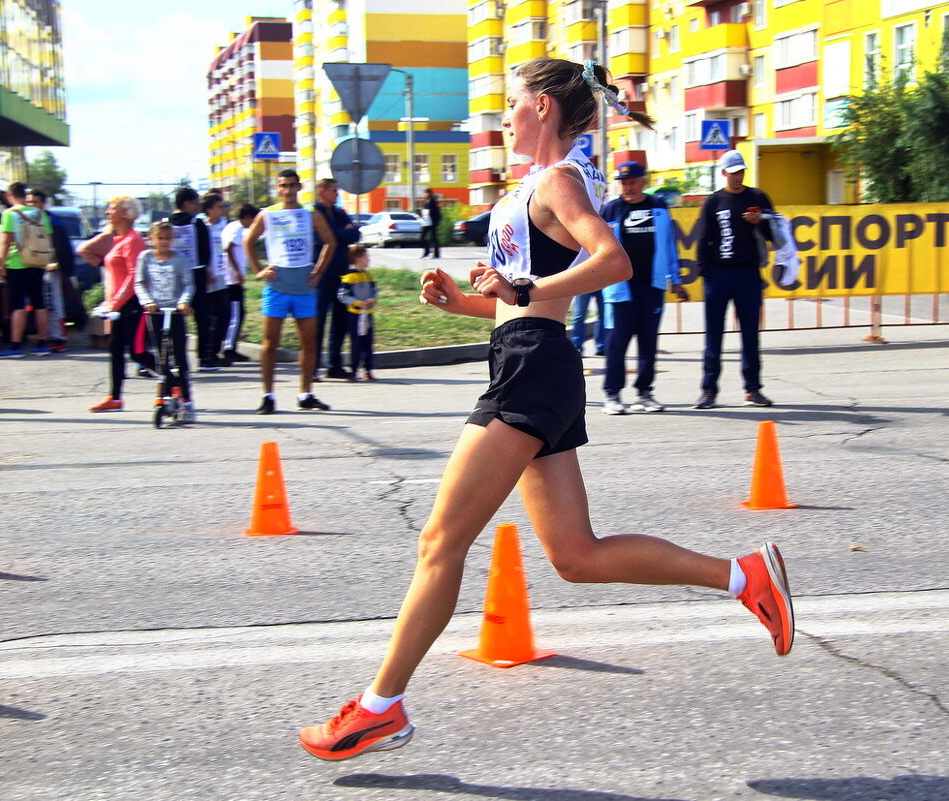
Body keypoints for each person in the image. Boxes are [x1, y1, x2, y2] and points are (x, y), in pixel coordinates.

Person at [298, 57, 794, 762]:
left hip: (532, 368)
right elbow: (528, 295)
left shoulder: (559, 180)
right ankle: (743, 575)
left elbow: (611, 261)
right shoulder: (527, 189)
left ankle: (380, 707)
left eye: (509, 102)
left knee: (439, 542)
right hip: (532, 358)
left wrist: (519, 284)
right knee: (576, 556)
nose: (500, 115)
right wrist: (463, 301)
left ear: (540, 107)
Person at [243, 169, 337, 414]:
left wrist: (318, 271)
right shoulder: (268, 214)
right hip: (277, 287)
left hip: (304, 287)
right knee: (269, 344)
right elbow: (248, 241)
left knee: (309, 342)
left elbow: (331, 242)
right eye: (283, 186)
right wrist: (258, 270)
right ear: (278, 188)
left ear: (299, 187)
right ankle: (268, 396)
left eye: (292, 185)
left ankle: (305, 394)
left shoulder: (309, 213)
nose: (288, 190)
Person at [599, 162, 688, 414]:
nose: (628, 187)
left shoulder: (659, 207)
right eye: (624, 183)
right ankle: (612, 394)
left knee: (648, 342)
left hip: (652, 286)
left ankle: (644, 393)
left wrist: (676, 279)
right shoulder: (610, 210)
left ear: (643, 182)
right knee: (617, 342)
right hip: (619, 289)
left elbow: (670, 246)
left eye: (632, 182)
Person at [694, 150, 776, 410]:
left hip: (748, 274)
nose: (738, 177)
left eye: (741, 172)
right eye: (733, 172)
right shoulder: (713, 201)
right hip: (718, 275)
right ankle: (709, 390)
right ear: (724, 173)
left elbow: (775, 232)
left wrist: (758, 221)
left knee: (750, 335)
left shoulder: (758, 197)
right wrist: (705, 272)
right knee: (714, 336)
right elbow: (703, 238)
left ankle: (753, 390)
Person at [88, 196, 157, 412]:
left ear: (126, 213)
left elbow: (134, 275)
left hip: (132, 303)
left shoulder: (133, 240)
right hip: (117, 306)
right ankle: (115, 397)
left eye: (112, 209)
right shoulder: (119, 240)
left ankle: (175, 383)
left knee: (138, 353)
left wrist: (117, 301)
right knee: (115, 349)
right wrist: (110, 303)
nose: (108, 212)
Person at [133, 221, 195, 419]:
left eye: (168, 238)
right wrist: (147, 301)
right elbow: (140, 283)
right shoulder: (145, 258)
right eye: (160, 238)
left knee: (179, 357)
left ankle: (186, 400)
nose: (164, 242)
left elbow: (188, 284)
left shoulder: (180, 259)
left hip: (175, 312)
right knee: (161, 358)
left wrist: (184, 302)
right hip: (156, 312)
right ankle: (165, 397)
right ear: (151, 239)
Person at [0, 182, 53, 358]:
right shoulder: (39, 213)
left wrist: (1, 264)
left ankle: (15, 346)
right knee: (39, 303)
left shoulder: (10, 214)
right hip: (37, 262)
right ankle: (42, 344)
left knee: (17, 305)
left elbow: (6, 241)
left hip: (17, 263)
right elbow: (48, 238)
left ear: (9, 195)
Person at [312, 178, 361, 380]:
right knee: (317, 321)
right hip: (321, 273)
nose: (337, 194)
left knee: (340, 321)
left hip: (342, 272)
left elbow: (355, 234)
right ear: (322, 191)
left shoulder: (339, 212)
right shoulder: (314, 212)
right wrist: (341, 233)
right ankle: (312, 365)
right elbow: (322, 238)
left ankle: (334, 364)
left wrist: (336, 234)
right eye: (333, 191)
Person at [167, 188, 214, 371]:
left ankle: (175, 360)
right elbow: (206, 251)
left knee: (174, 319)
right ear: (187, 203)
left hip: (172, 275)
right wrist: (206, 269)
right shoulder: (198, 224)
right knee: (202, 318)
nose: (197, 207)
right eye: (195, 203)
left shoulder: (165, 224)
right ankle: (204, 358)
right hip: (196, 274)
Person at [28, 188, 76, 353]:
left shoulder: (52, 219)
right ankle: (50, 336)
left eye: (35, 202)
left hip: (52, 268)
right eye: (29, 202)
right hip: (36, 267)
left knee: (53, 303)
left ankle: (58, 338)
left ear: (42, 203)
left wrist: (57, 263)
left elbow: (61, 246)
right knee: (44, 304)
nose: (32, 205)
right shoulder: (28, 219)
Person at [221, 203, 259, 362]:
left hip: (229, 278)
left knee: (233, 313)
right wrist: (236, 271)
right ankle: (229, 348)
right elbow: (228, 248)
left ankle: (229, 345)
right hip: (232, 279)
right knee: (237, 314)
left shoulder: (232, 226)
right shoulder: (236, 229)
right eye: (254, 220)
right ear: (248, 217)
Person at [337, 245, 378, 381]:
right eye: (367, 257)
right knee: (356, 342)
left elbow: (374, 290)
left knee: (368, 342)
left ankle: (368, 369)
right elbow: (342, 296)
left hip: (368, 314)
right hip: (355, 315)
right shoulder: (349, 277)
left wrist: (373, 298)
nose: (369, 260)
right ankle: (354, 370)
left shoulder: (368, 275)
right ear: (358, 258)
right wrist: (357, 302)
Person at [199, 194, 230, 369]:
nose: (222, 209)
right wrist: (206, 269)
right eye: (219, 206)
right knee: (212, 317)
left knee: (224, 314)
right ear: (209, 210)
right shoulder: (202, 226)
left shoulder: (224, 225)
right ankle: (208, 354)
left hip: (223, 274)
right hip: (209, 276)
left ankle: (216, 351)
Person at [568, 290, 604, 356]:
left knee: (603, 316)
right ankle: (577, 347)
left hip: (602, 283)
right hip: (585, 283)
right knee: (579, 316)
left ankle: (601, 347)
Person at [420, 187, 441, 258]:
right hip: (426, 222)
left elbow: (436, 211)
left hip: (433, 221)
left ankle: (436, 254)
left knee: (434, 238)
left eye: (426, 193)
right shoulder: (424, 201)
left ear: (429, 193)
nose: (424, 195)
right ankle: (427, 251)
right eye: (424, 193)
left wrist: (429, 211)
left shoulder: (433, 201)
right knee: (422, 237)